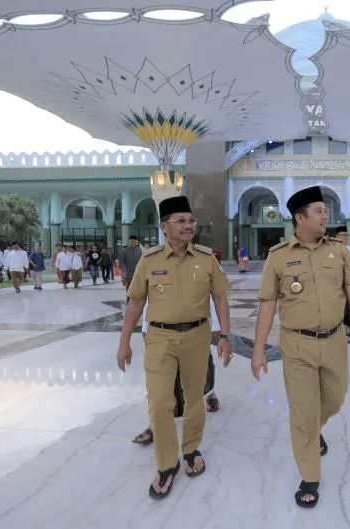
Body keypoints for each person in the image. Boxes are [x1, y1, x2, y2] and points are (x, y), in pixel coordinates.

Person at [252, 185, 350, 509]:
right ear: (300, 217)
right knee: (303, 413)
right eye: (319, 211)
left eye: (325, 210)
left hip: (334, 339)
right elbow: (267, 305)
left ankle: (312, 429)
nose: (326, 216)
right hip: (296, 344)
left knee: (335, 399)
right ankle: (310, 476)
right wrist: (258, 349)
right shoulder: (278, 257)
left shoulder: (339, 252)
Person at [117, 195, 233, 500]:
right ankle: (166, 464)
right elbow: (135, 302)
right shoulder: (150, 260)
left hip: (197, 337)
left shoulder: (207, 258)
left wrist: (225, 336)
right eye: (180, 221)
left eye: (190, 220)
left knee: (194, 399)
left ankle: (191, 449)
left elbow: (220, 297)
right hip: (159, 338)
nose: (188, 225)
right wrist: (124, 342)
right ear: (164, 226)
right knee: (159, 402)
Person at [132, 297, 223, 445]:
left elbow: (210, 293)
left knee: (203, 366)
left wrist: (217, 325)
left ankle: (209, 393)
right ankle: (156, 425)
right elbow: (150, 296)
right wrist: (145, 327)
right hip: (162, 332)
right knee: (161, 383)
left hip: (194, 328)